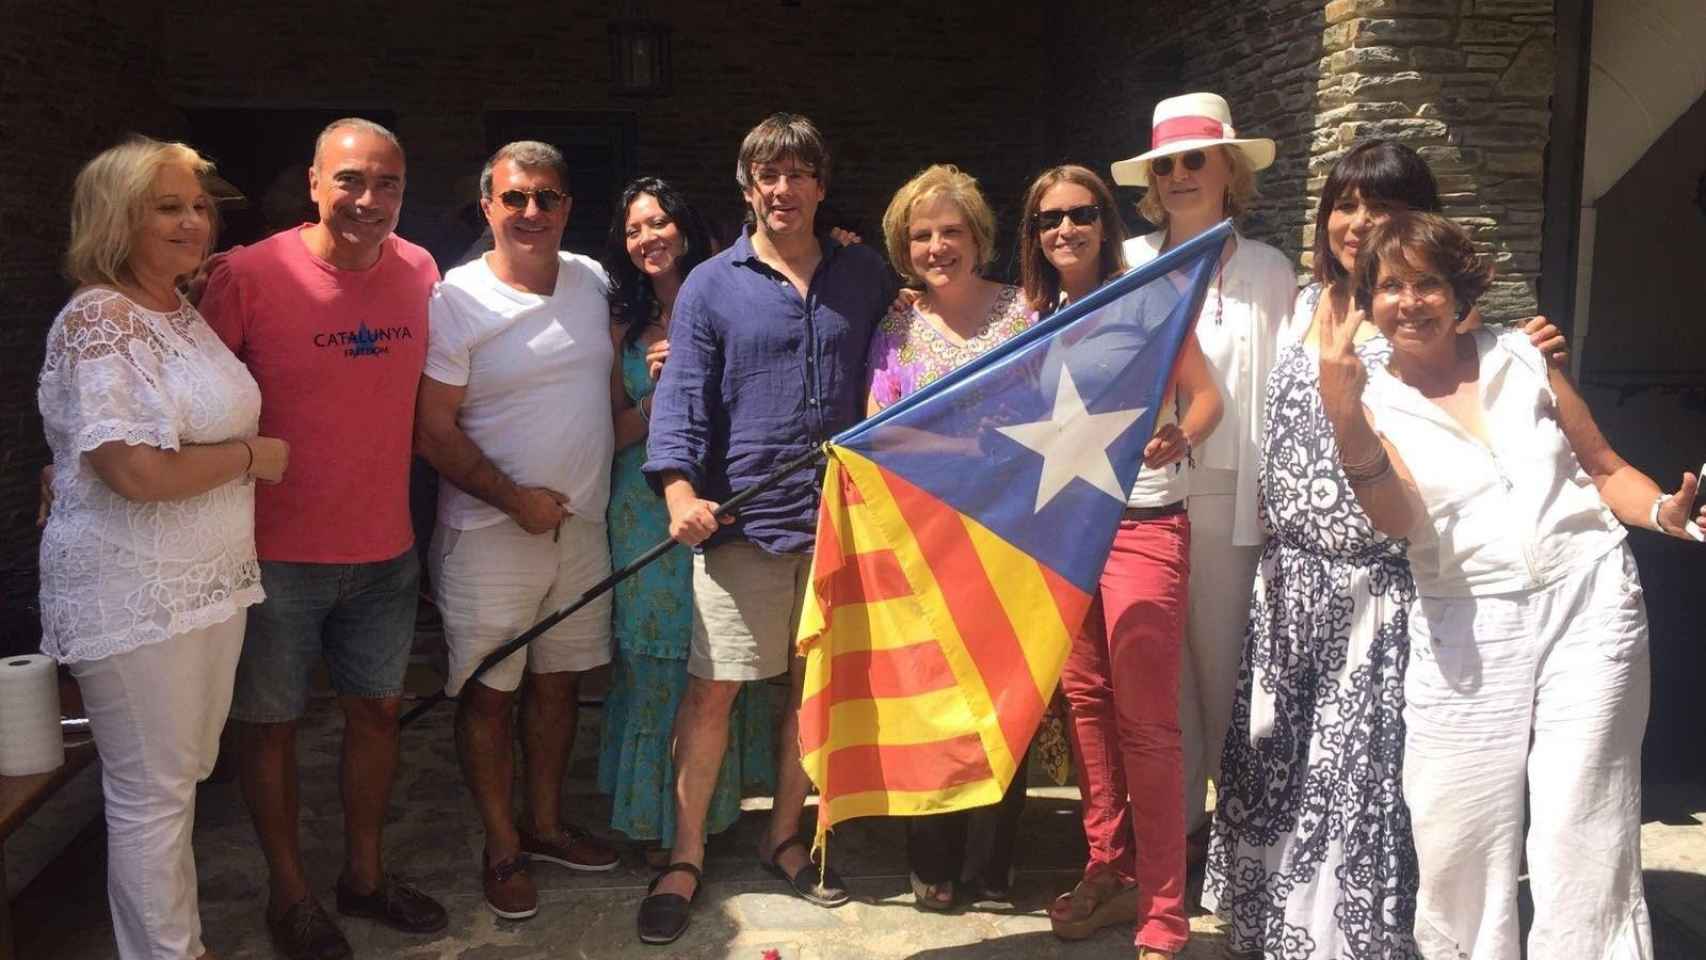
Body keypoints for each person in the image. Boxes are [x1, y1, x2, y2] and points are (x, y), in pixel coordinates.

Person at [1204, 142, 1574, 960]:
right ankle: (1279, 930)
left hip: (1382, 587)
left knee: (1359, 778)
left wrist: (1536, 353)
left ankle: (1356, 939)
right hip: (1289, 581)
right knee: (1283, 765)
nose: (1358, 222)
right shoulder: (1299, 304)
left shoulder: (1433, 315)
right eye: (1345, 203)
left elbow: (1500, 395)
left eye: (1382, 205)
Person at [1320, 211, 1702, 958]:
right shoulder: (1366, 395)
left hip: (1588, 597)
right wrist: (1343, 416)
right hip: (1466, 620)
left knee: (1583, 822)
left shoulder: (1525, 357)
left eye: (1427, 282)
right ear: (1367, 299)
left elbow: (1604, 468)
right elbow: (1398, 517)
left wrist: (1661, 511)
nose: (1410, 301)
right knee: (1458, 831)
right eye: (1390, 285)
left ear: (1460, 290)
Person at [636, 112, 896, 945]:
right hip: (742, 524)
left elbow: (913, 359)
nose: (781, 190)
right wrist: (678, 491)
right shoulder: (712, 284)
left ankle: (786, 836)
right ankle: (682, 856)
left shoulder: (865, 275)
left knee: (807, 690)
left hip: (840, 524)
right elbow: (680, 400)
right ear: (747, 188)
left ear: (821, 183)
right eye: (765, 176)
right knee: (712, 692)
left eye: (797, 173)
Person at [199, 118, 447, 960]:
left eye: (387, 185)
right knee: (270, 725)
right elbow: (191, 394)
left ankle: (365, 879)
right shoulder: (247, 274)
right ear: (313, 182)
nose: (368, 201)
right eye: (350, 181)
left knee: (377, 714)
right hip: (273, 553)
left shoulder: (419, 271)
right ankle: (292, 896)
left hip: (385, 547)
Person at [37, 136, 288, 960]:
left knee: (175, 782)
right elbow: (132, 469)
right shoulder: (101, 316)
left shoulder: (175, 306)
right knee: (151, 793)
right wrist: (254, 457)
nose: (193, 221)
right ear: (117, 219)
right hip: (137, 589)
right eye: (168, 206)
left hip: (204, 582)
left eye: (199, 204)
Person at [1016, 165, 1223, 959]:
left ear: (1104, 223)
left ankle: (1166, 908)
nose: (1064, 230)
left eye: (1078, 215)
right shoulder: (1033, 319)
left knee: (1148, 725)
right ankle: (1109, 868)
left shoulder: (1151, 302)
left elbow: (1206, 397)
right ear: (1034, 235)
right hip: (1065, 537)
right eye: (1047, 219)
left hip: (1143, 524)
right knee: (1090, 711)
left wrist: (1186, 433)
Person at [413, 141, 623, 921]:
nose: (530, 212)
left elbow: (604, 401)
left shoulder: (594, 281)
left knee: (559, 683)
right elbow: (431, 431)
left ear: (567, 206)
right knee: (490, 693)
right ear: (487, 205)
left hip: (581, 528)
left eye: (547, 197)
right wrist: (512, 498)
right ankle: (500, 845)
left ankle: (543, 824)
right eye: (515, 198)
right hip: (489, 533)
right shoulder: (454, 299)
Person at [1110, 93, 1300, 858]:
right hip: (1143, 497)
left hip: (1232, 498)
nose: (1182, 175)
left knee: (1226, 672)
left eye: (1197, 159)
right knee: (1159, 676)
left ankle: (1243, 845)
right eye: (1168, 164)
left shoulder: (1269, 269)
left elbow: (1288, 391)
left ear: (1230, 169)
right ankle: (1175, 833)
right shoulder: (1125, 263)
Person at [864, 164, 1038, 911]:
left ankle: (994, 866)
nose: (938, 247)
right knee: (931, 701)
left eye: (951, 232)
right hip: (923, 540)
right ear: (906, 247)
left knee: (1008, 699)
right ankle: (931, 853)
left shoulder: (1027, 312)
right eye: (922, 234)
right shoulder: (897, 325)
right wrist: (968, 451)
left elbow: (1047, 418)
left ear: (979, 237)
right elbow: (879, 430)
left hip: (1010, 537)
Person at [599, 176, 777, 865]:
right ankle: (658, 823)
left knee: (716, 660)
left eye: (660, 222)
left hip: (721, 503)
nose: (648, 237)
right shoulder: (623, 325)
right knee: (656, 660)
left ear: (688, 227)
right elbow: (606, 433)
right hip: (643, 513)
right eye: (635, 228)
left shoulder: (738, 303)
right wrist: (657, 400)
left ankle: (713, 813)